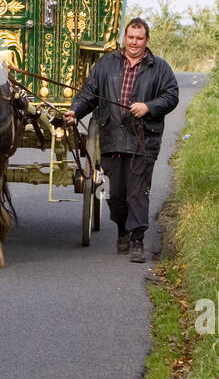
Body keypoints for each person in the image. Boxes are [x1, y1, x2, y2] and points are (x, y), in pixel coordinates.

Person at [65, 17, 179, 263]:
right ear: (124, 38)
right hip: (112, 137)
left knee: (137, 192)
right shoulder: (107, 64)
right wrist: (75, 111)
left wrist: (148, 107)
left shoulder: (159, 68)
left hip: (142, 140)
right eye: (130, 37)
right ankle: (122, 231)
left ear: (147, 40)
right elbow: (89, 93)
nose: (134, 42)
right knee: (115, 193)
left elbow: (171, 96)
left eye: (139, 38)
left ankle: (137, 240)